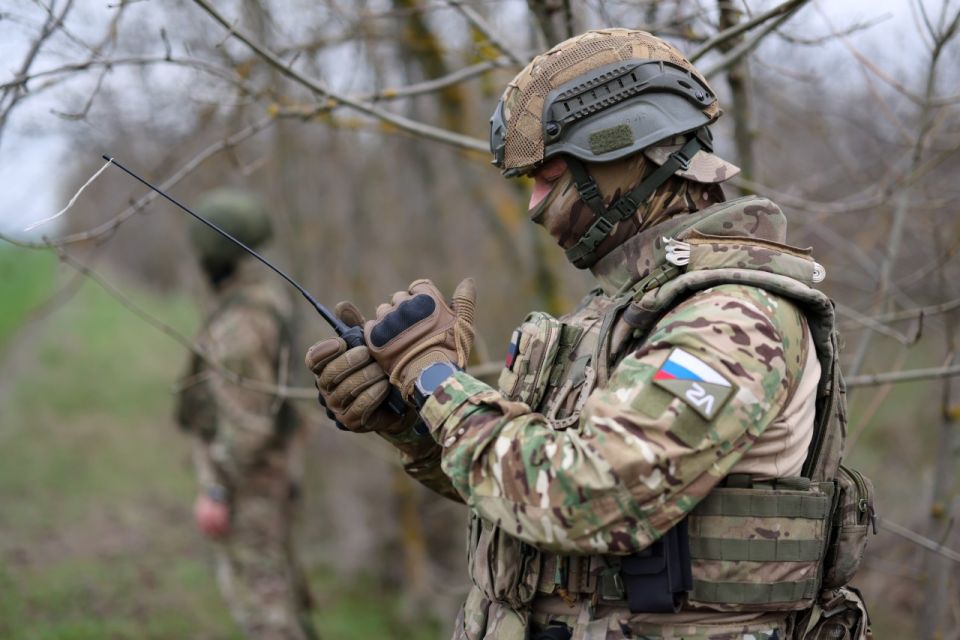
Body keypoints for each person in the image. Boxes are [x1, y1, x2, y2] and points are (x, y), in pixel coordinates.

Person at [306, 29, 874, 640]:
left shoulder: (735, 316)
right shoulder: (614, 315)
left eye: (548, 175)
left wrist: (435, 379)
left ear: (626, 149)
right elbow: (518, 498)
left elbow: (591, 496)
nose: (534, 206)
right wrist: (411, 417)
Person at [176, 188, 318, 640]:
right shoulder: (265, 302)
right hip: (272, 476)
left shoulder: (240, 324)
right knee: (281, 595)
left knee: (266, 612)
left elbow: (248, 425)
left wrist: (216, 492)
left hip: (250, 486)